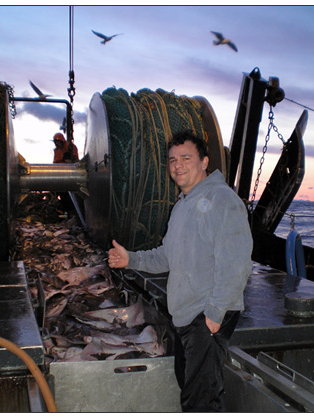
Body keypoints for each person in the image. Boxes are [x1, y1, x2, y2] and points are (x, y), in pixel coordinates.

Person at [108, 130, 253, 412]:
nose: (178, 166)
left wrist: (215, 314)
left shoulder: (222, 200)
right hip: (186, 316)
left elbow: (236, 263)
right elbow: (167, 256)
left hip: (206, 317)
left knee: (201, 401)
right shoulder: (182, 205)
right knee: (193, 391)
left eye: (186, 158)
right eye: (172, 160)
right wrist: (131, 259)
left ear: (204, 162)